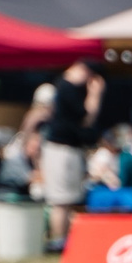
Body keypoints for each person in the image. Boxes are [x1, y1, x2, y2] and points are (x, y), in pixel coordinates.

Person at [37, 60, 105, 249]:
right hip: (60, 149)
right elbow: (86, 118)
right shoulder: (67, 88)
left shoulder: (68, 89)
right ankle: (59, 240)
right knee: (60, 199)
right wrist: (94, 96)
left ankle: (63, 240)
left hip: (69, 149)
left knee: (67, 200)